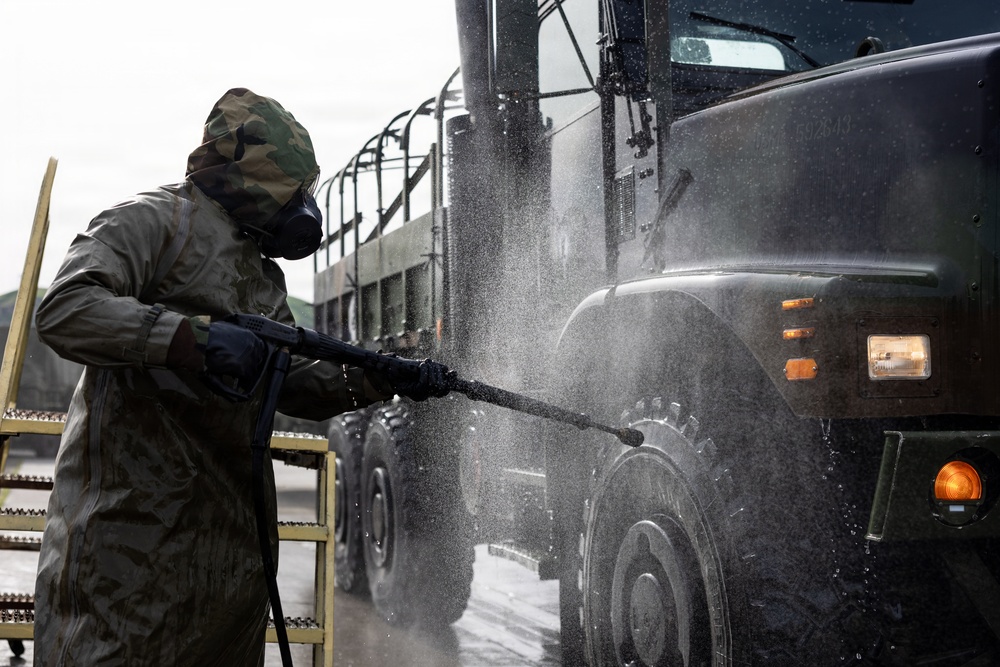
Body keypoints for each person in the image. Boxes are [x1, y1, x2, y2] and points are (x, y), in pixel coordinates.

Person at [32, 87, 445, 666]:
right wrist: (190, 340)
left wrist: (380, 377)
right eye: (290, 187)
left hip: (229, 571)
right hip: (128, 560)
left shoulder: (262, 277)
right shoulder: (151, 222)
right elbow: (65, 309)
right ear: (245, 172)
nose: (302, 205)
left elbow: (291, 381)